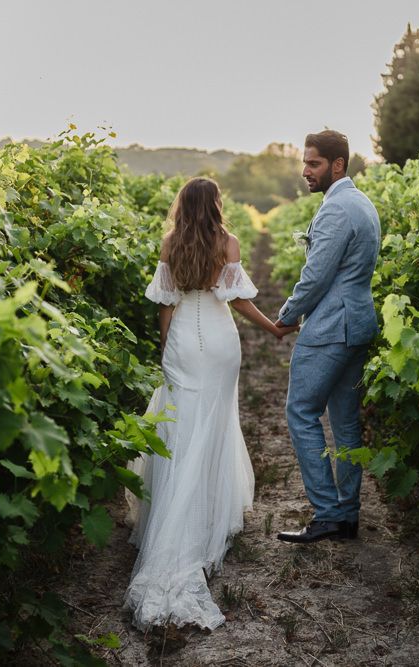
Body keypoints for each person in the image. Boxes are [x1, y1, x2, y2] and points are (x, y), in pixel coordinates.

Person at [124, 177, 297, 631]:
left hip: (184, 340)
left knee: (182, 428)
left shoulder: (170, 243)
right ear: (217, 204)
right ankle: (202, 522)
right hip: (220, 343)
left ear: (183, 205)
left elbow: (165, 305)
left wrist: (166, 349)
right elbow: (236, 300)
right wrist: (273, 328)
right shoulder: (228, 242)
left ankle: (174, 521)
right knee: (215, 425)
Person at [275, 130, 381, 544]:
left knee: (300, 412)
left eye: (314, 163)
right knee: (345, 422)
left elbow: (316, 276)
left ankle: (327, 513)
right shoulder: (362, 203)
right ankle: (347, 514)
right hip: (358, 323)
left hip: (330, 327)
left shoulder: (337, 210)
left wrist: (286, 315)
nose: (305, 171)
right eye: (304, 162)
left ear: (338, 164)